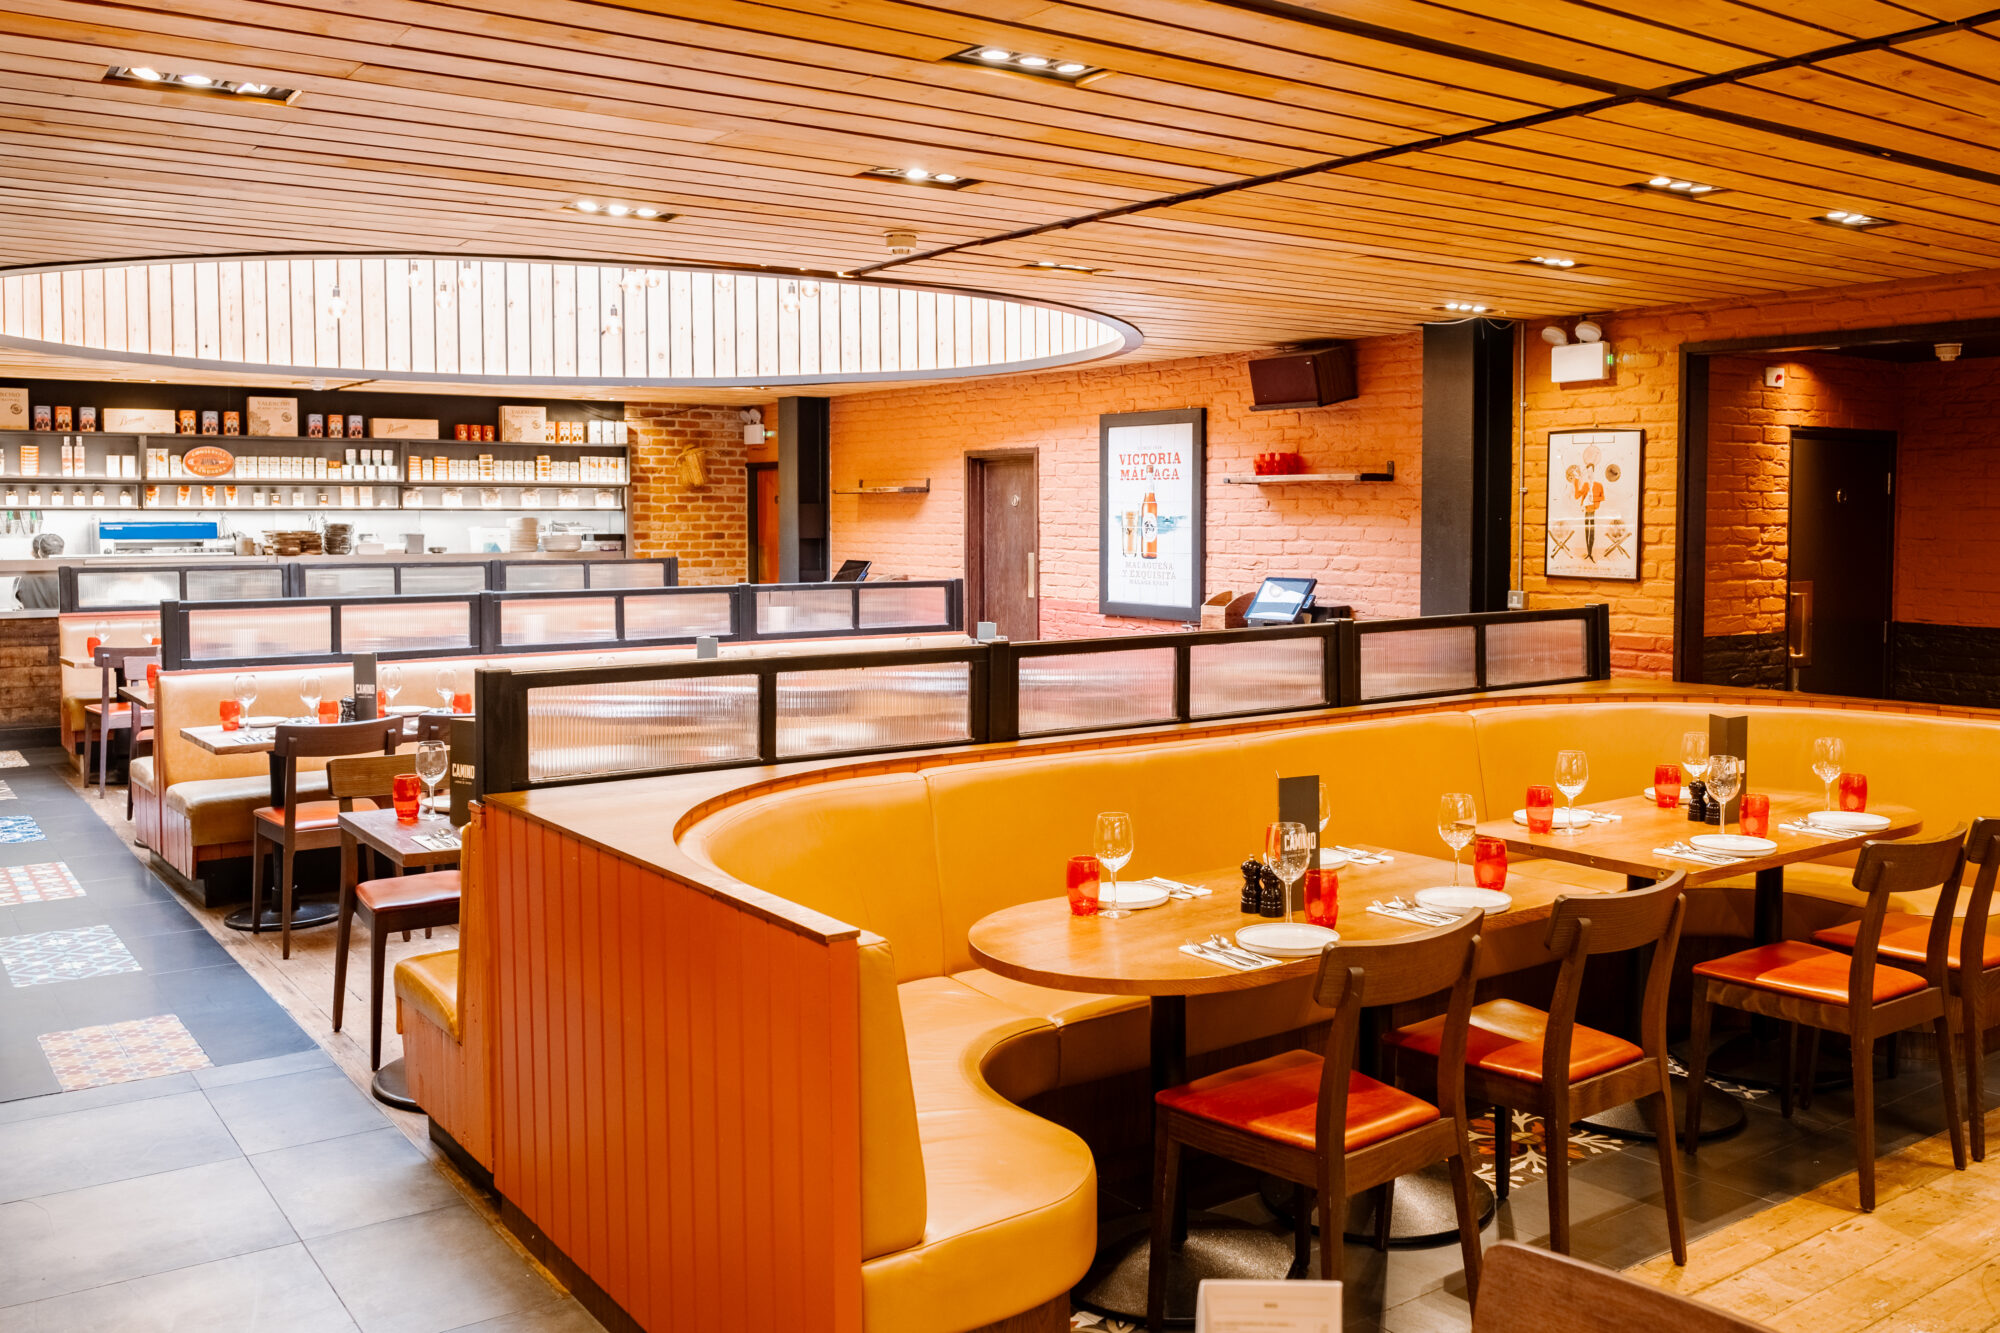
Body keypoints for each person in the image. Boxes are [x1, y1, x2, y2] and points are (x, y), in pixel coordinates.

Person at [14, 532, 62, 610]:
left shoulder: (22, 579)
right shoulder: (62, 577)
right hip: (59, 620)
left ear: (33, 553)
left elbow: (17, 605)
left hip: (31, 620)